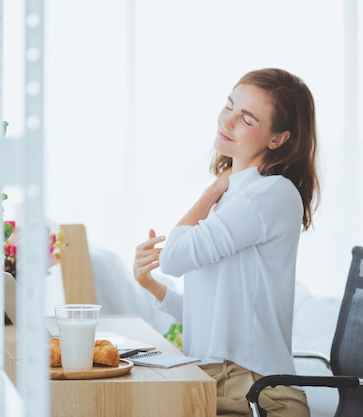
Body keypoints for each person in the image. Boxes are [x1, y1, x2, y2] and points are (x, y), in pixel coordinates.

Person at [133, 68, 319, 417]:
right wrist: (150, 285)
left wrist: (210, 192)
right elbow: (210, 313)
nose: (228, 121)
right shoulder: (236, 197)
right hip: (217, 379)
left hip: (255, 392)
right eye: (229, 106)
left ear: (277, 139)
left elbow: (173, 258)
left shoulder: (269, 194)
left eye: (246, 118)